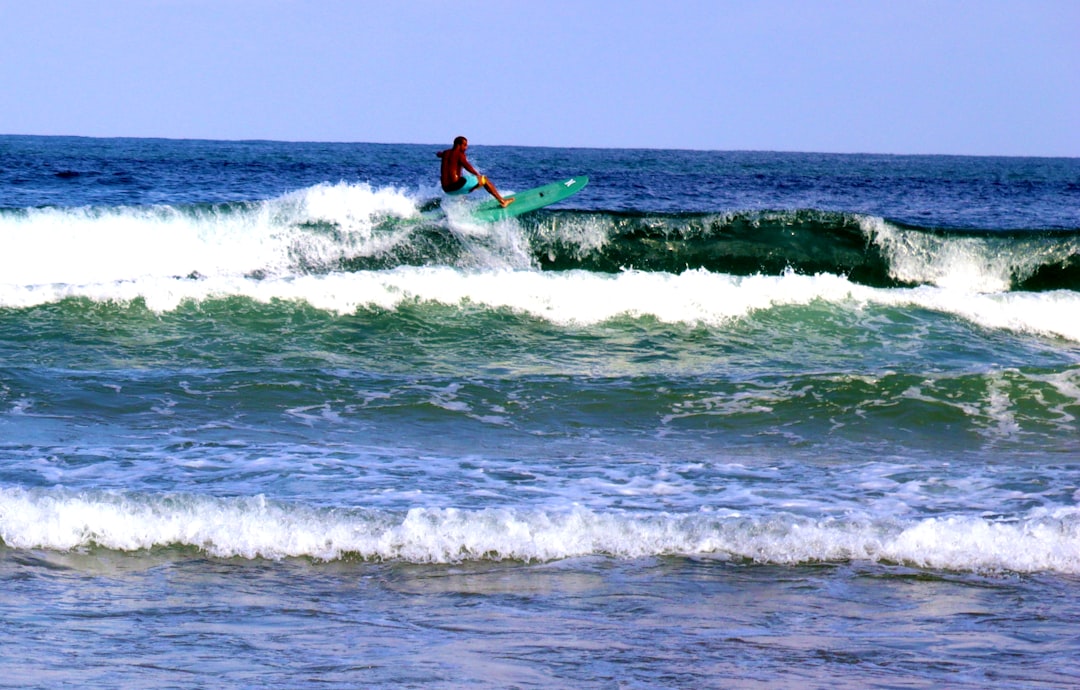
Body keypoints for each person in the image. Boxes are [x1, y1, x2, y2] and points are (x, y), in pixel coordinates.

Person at [436, 136, 514, 208]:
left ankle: (462, 208)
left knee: (465, 181)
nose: (466, 147)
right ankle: (503, 201)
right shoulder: (460, 154)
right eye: (465, 145)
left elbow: (439, 154)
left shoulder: (446, 153)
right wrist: (478, 175)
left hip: (447, 189)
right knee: (484, 179)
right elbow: (467, 166)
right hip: (456, 186)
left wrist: (439, 154)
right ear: (459, 145)